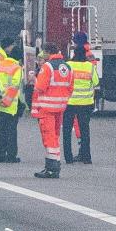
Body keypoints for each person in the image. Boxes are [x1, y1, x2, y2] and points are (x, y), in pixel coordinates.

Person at [30, 42, 73, 179]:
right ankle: (54, 166)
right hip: (60, 107)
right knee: (55, 137)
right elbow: (70, 88)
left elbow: (40, 87)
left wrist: (34, 79)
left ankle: (52, 168)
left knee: (49, 139)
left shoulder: (47, 67)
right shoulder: (67, 67)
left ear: (48, 52)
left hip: (47, 108)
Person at [63, 46, 99, 164]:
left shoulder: (68, 65)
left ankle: (68, 158)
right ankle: (86, 157)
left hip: (70, 103)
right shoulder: (90, 66)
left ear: (73, 53)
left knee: (67, 131)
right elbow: (96, 82)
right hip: (85, 103)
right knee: (85, 131)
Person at [0, 44, 24, 163]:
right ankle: (11, 156)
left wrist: (0, 100)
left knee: (1, 130)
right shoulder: (17, 68)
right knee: (11, 132)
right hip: (10, 105)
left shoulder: (0, 65)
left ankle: (0, 153)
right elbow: (14, 86)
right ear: (19, 58)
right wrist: (7, 101)